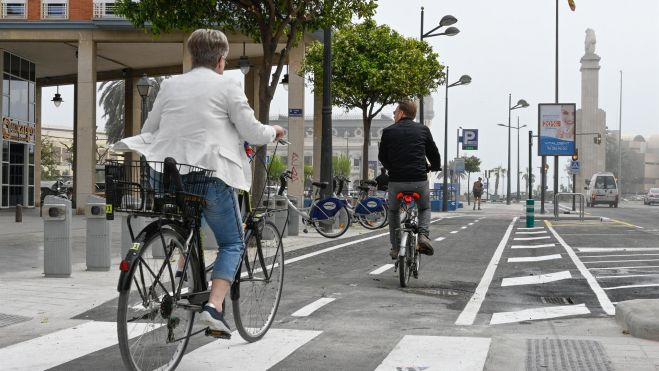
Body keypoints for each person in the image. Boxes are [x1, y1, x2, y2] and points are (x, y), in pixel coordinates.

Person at [116, 29, 285, 336]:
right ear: (221, 61)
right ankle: (214, 307)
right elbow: (253, 132)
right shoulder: (228, 86)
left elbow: (149, 128)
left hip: (165, 175)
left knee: (188, 224)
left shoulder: (170, 85)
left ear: (193, 58)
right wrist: (273, 131)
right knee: (232, 242)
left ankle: (181, 278)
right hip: (209, 174)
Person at [378, 100, 441, 259]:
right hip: (418, 180)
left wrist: (392, 167)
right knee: (424, 208)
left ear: (401, 113)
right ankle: (423, 236)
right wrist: (434, 166)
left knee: (393, 211)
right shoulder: (423, 130)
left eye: (395, 112)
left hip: (397, 181)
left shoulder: (388, 131)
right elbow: (433, 153)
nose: (393, 114)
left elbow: (382, 157)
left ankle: (395, 246)